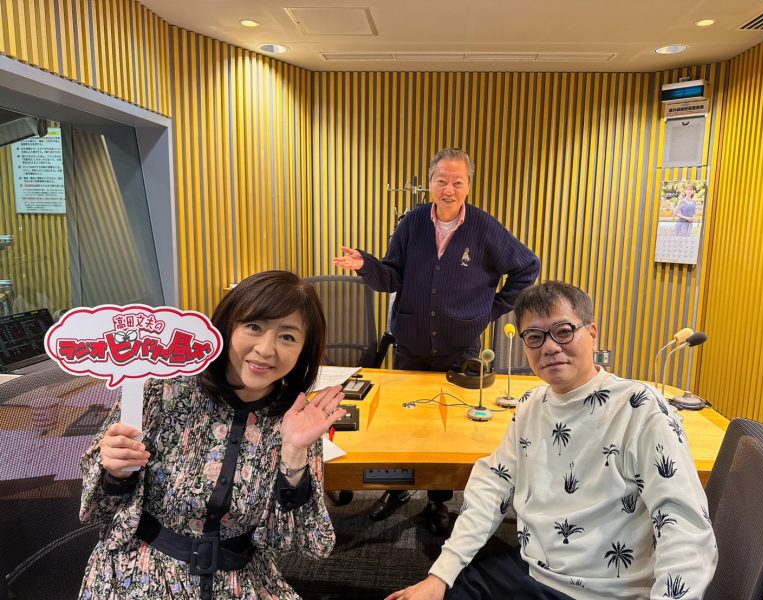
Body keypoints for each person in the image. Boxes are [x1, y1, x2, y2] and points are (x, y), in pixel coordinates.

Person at [387, 281, 717, 600]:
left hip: (605, 592)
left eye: (563, 331)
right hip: (531, 571)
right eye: (535, 336)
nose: (549, 347)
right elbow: (493, 485)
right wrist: (440, 575)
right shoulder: (531, 405)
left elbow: (684, 527)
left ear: (592, 334)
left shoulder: (639, 407)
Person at [77, 270, 347, 599]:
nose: (266, 349)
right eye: (254, 327)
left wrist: (293, 454)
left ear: (304, 350)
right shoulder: (162, 390)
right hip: (141, 575)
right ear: (227, 326)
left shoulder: (296, 420)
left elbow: (304, 544)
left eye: (287, 337)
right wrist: (116, 473)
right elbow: (100, 510)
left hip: (239, 580)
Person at [333, 148, 540, 535]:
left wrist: (491, 309)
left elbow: (527, 266)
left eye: (457, 182)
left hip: (460, 345)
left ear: (468, 186)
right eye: (441, 180)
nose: (449, 189)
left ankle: (438, 500)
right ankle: (397, 489)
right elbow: (391, 277)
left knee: (449, 428)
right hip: (411, 341)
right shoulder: (412, 223)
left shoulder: (483, 227)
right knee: (404, 420)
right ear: (430, 183)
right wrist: (366, 265)